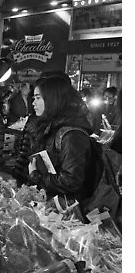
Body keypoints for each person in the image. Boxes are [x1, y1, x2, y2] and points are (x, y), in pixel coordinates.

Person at [27, 76, 101, 213]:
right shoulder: (51, 127)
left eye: (38, 98)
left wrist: (37, 176)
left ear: (52, 100)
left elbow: (71, 181)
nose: (33, 103)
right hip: (53, 206)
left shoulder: (72, 136)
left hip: (69, 213)